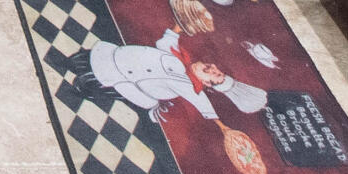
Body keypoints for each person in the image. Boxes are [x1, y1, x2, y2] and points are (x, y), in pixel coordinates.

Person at [87, 27, 268, 126]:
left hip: (120, 75)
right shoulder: (183, 61)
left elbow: (201, 103)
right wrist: (178, 27)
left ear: (206, 83)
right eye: (217, 70)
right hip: (116, 55)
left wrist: (223, 128)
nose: (213, 68)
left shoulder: (186, 84)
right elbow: (166, 43)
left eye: (215, 75)